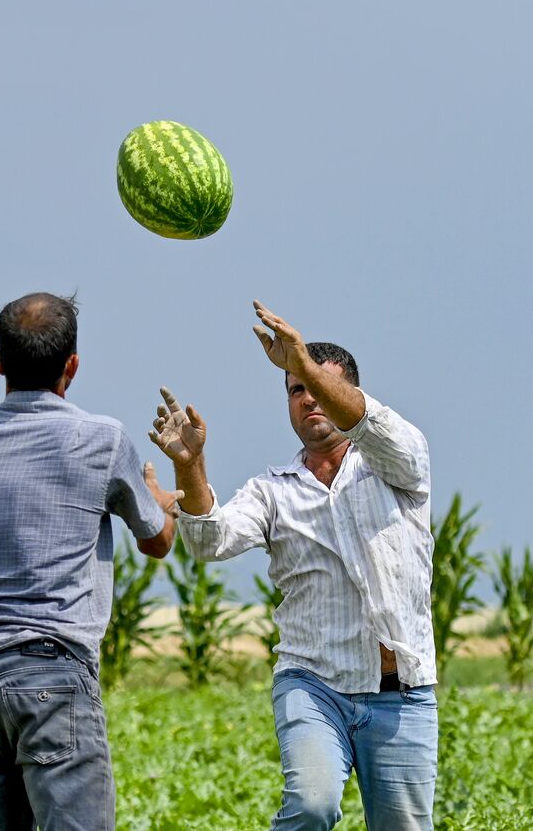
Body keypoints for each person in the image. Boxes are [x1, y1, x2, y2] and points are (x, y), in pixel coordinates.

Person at [149, 301, 437, 831]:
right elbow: (211, 540)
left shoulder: (397, 463)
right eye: (296, 390)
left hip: (402, 693)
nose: (308, 399)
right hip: (313, 684)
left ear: (349, 394)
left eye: (318, 387)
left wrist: (303, 363)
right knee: (311, 805)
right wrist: (189, 467)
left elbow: (380, 431)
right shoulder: (272, 490)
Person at [0, 291, 178, 831]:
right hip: (50, 670)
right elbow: (157, 540)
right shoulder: (100, 438)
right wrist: (165, 494)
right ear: (72, 365)